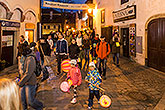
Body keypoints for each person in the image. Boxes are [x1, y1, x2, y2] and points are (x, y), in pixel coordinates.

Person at [18, 45, 44, 110]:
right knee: (23, 100)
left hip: (30, 82)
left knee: (30, 101)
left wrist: (20, 83)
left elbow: (28, 73)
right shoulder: (26, 57)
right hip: (25, 81)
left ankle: (40, 106)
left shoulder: (30, 58)